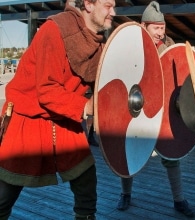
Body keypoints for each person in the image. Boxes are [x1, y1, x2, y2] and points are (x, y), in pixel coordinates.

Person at [0, 0, 116, 219]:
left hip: (64, 118)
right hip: (29, 117)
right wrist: (88, 105)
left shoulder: (100, 42)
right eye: (108, 6)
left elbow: (105, 84)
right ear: (89, 5)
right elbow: (47, 90)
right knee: (6, 190)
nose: (113, 12)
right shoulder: (54, 30)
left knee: (86, 179)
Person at [116, 1, 195, 218]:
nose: (160, 33)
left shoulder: (169, 49)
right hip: (136, 111)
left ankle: (179, 200)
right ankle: (125, 194)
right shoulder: (131, 49)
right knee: (128, 154)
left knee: (172, 157)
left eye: (162, 28)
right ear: (144, 26)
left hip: (163, 114)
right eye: (156, 28)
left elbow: (178, 80)